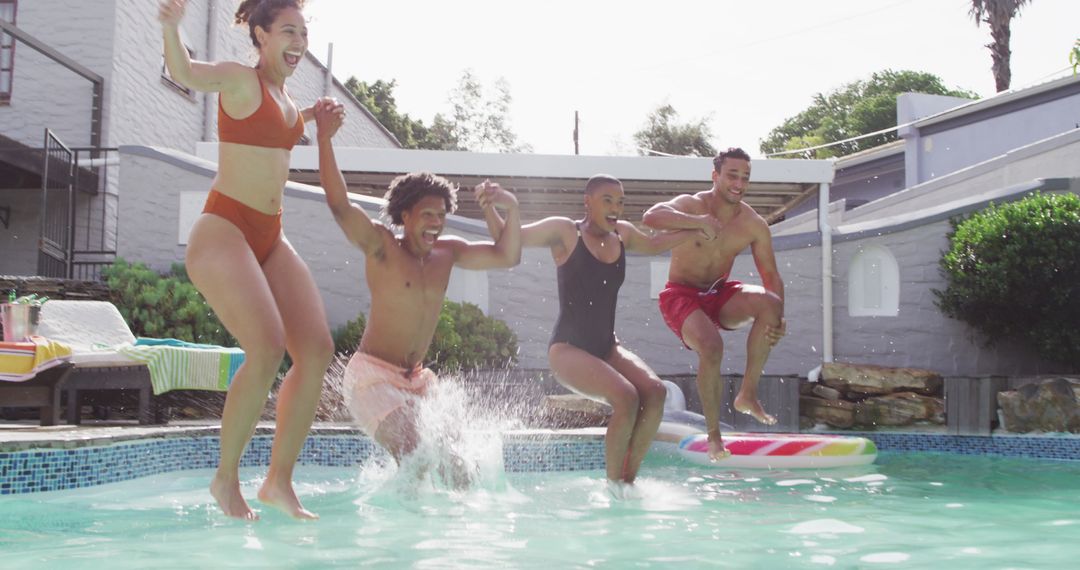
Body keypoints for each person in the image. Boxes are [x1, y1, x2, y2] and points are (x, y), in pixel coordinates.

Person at [160, 0, 337, 520]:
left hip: (269, 235)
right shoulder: (241, 80)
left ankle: (278, 482)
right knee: (266, 346)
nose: (299, 42)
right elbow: (185, 73)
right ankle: (225, 479)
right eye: (288, 31)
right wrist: (172, 28)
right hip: (224, 229)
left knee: (316, 349)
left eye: (303, 33)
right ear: (261, 35)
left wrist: (317, 117)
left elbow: (280, 128)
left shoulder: (286, 99)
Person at [313, 102, 521, 486]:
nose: (436, 223)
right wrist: (324, 139)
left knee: (459, 466)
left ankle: (450, 524)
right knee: (416, 455)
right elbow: (340, 205)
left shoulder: (448, 253)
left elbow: (507, 255)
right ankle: (398, 523)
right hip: (372, 378)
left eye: (441, 215)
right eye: (427, 215)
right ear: (405, 216)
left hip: (419, 380)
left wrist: (505, 207)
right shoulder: (382, 248)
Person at [480, 174, 697, 491]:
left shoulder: (622, 234)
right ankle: (613, 486)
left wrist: (698, 227)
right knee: (626, 397)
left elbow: (653, 244)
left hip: (607, 348)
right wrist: (492, 207)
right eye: (607, 201)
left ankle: (628, 481)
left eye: (620, 202)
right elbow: (507, 237)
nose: (616, 209)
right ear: (588, 202)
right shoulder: (565, 232)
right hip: (568, 350)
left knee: (655, 392)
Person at [642, 147, 787, 461]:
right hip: (681, 296)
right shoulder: (691, 205)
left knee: (770, 304)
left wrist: (778, 319)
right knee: (711, 346)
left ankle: (747, 394)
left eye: (745, 177)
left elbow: (771, 275)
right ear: (715, 176)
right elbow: (651, 216)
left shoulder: (753, 223)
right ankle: (713, 436)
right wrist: (696, 222)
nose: (739, 183)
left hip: (719, 294)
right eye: (732, 176)